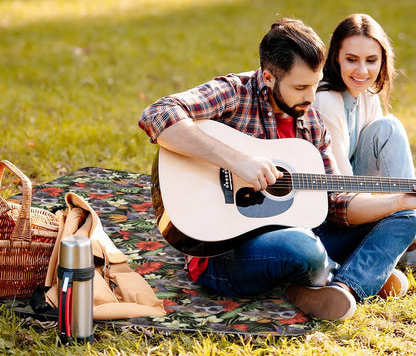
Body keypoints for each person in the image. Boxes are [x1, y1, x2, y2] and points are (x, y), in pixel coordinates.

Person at [139, 17, 416, 321]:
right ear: (269, 78)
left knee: (407, 217)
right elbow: (158, 114)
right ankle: (354, 272)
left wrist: (397, 201)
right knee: (303, 248)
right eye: (300, 87)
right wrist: (236, 160)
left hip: (304, 233)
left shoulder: (310, 120)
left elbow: (337, 202)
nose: (311, 98)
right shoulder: (234, 92)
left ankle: (344, 287)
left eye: (315, 84)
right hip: (225, 252)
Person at [313, 13, 416, 269]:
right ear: (336, 57)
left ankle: (406, 228)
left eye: (371, 60)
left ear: (382, 61)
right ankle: (405, 235)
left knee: (387, 127)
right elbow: (342, 190)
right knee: (389, 127)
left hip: (356, 195)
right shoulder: (326, 100)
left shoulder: (366, 94)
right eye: (351, 59)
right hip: (329, 210)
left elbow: (378, 169)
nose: (362, 71)